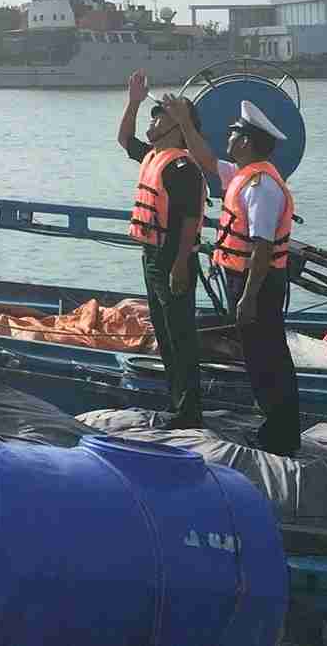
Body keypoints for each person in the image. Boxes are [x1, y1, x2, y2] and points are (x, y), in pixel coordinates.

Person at [174, 95, 301, 457]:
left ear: (245, 142)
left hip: (256, 284)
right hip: (242, 280)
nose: (226, 139)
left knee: (268, 357)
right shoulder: (243, 175)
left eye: (232, 134)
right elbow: (206, 159)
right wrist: (185, 122)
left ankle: (281, 436)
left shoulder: (262, 186)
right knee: (258, 356)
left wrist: (247, 296)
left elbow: (262, 247)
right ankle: (274, 430)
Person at [119, 71, 206, 428]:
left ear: (179, 127)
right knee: (165, 333)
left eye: (160, 115)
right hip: (152, 256)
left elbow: (189, 220)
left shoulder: (183, 165)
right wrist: (134, 101)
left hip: (174, 259)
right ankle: (177, 404)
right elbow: (125, 139)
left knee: (180, 335)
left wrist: (181, 264)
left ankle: (189, 412)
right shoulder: (154, 155)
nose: (153, 121)